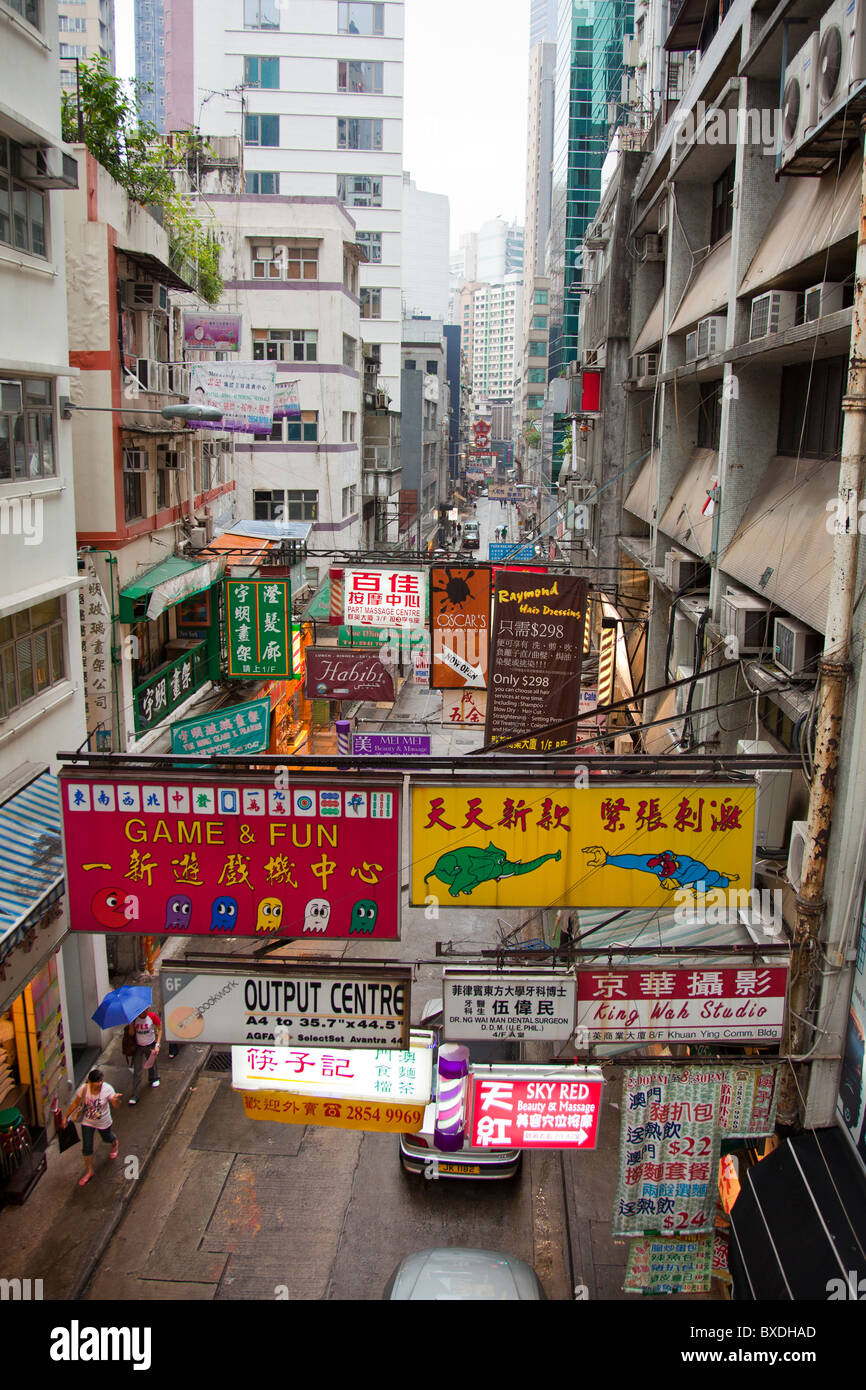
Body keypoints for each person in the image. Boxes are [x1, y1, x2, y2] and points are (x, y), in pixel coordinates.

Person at [66, 1068, 121, 1186]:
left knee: (107, 1138)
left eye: (101, 1081)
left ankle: (114, 1143)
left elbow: (115, 1105)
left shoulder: (108, 1089)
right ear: (90, 1082)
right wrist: (66, 1116)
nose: (100, 1084)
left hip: (103, 1122)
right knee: (87, 1147)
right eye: (97, 1082)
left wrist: (116, 1100)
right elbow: (76, 1103)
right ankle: (89, 1170)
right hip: (88, 1121)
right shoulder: (84, 1089)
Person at [125, 1006, 163, 1104]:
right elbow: (131, 1034)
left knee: (151, 1063)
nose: (145, 1012)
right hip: (138, 1046)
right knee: (137, 1069)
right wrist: (131, 1024)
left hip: (150, 1044)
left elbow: (160, 1029)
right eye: (143, 1011)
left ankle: (154, 1077)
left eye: (147, 1010)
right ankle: (135, 1094)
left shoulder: (152, 1016)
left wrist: (157, 1044)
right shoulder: (134, 1019)